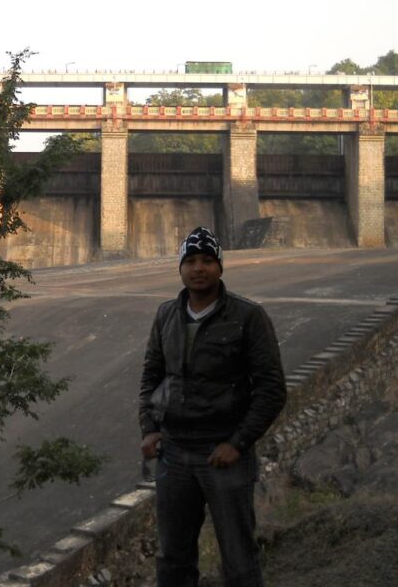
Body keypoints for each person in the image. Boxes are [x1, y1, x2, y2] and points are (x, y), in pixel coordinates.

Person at [139, 226, 286, 587]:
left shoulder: (247, 317)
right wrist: (150, 428)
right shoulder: (166, 316)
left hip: (223, 456)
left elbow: (271, 389)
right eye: (190, 261)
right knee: (173, 560)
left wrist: (237, 443)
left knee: (239, 561)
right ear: (180, 268)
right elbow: (151, 379)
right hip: (174, 456)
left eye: (207, 260)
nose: (198, 268)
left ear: (220, 266)